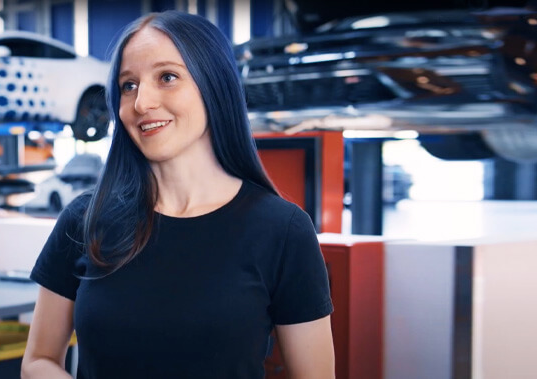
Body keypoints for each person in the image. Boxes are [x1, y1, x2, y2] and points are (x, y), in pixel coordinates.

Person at [21, 11, 335, 379]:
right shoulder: (84, 219)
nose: (141, 103)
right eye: (128, 85)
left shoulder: (283, 230)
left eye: (167, 77)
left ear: (213, 85)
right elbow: (38, 361)